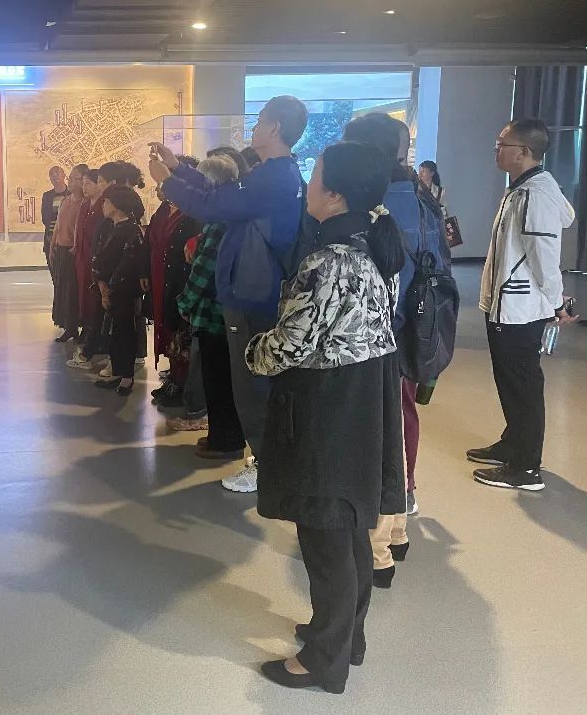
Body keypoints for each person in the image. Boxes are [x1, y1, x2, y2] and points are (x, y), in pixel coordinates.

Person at [247, 141, 406, 694]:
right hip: (361, 398)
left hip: (328, 406)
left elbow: (290, 344)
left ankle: (323, 659)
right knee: (347, 528)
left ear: (335, 194)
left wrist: (253, 350)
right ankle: (344, 636)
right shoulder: (373, 245)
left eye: (314, 175)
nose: (307, 185)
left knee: (325, 534)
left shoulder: (329, 260)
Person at [151, 95, 309, 495]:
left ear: (274, 128)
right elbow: (224, 194)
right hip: (254, 291)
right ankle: (268, 460)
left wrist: (168, 181)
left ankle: (267, 466)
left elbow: (213, 205)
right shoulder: (273, 174)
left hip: (254, 295)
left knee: (254, 385)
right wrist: (179, 169)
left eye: (259, 121)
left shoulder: (274, 178)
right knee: (251, 382)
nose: (254, 128)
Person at [343, 113, 447, 586]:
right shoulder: (420, 199)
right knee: (399, 425)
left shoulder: (380, 207)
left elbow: (384, 286)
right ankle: (397, 527)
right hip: (412, 336)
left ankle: (377, 546)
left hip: (382, 338)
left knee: (377, 437)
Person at [468, 119, 577, 491]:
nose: (496, 150)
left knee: (523, 385)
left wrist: (557, 302)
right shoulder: (522, 188)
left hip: (520, 309)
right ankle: (513, 443)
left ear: (524, 152)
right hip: (506, 305)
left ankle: (526, 467)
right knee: (509, 380)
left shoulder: (535, 194)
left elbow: (544, 256)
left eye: (502, 144)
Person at [174, 154, 249, 459]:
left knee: (218, 378)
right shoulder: (229, 215)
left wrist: (185, 302)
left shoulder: (219, 222)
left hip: (213, 312)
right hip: (222, 309)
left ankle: (226, 441)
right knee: (218, 377)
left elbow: (205, 268)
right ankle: (219, 435)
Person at [147, 184, 203, 410]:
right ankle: (173, 378)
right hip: (161, 278)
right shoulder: (163, 210)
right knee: (167, 328)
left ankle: (182, 384)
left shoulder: (192, 214)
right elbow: (150, 242)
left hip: (180, 280)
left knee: (181, 332)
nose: (160, 187)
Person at [91, 183, 148, 395]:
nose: (103, 205)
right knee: (115, 334)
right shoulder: (114, 228)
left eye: (106, 202)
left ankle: (126, 376)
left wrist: (108, 289)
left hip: (124, 292)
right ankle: (117, 371)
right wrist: (101, 283)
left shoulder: (131, 231)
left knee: (125, 333)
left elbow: (128, 264)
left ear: (116, 205)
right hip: (111, 290)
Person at [66, 167, 107, 370]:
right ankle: (88, 328)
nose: (84, 187)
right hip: (82, 258)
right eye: (83, 183)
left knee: (95, 298)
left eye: (88, 183)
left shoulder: (103, 206)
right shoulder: (85, 205)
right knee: (84, 294)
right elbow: (78, 229)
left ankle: (96, 336)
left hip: (96, 258)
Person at [49, 165, 86, 342]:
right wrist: (52, 245)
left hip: (74, 251)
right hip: (61, 250)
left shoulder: (84, 203)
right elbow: (58, 224)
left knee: (73, 291)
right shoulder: (66, 200)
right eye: (70, 178)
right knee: (62, 289)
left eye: (74, 178)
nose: (70, 181)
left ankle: (76, 325)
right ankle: (68, 326)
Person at [41, 166, 68, 268]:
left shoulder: (71, 194)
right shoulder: (47, 196)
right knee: (53, 269)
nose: (55, 175)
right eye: (52, 174)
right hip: (50, 237)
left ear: (64, 175)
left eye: (57, 172)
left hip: (67, 238)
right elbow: (45, 217)